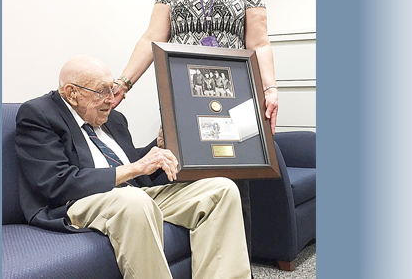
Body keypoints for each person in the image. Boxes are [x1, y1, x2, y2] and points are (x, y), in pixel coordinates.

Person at [110, 0, 278, 257]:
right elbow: (152, 37)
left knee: (236, 182)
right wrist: (124, 82)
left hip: (235, 100)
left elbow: (260, 43)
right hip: (183, 98)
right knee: (184, 177)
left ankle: (235, 265)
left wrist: (271, 89)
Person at [15, 55, 252, 279]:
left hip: (132, 195)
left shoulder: (113, 118)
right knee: (133, 200)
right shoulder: (39, 114)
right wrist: (137, 168)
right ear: (72, 93)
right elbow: (57, 183)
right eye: (102, 90)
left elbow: (133, 169)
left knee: (221, 190)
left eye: (112, 88)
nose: (111, 98)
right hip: (76, 201)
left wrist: (156, 148)